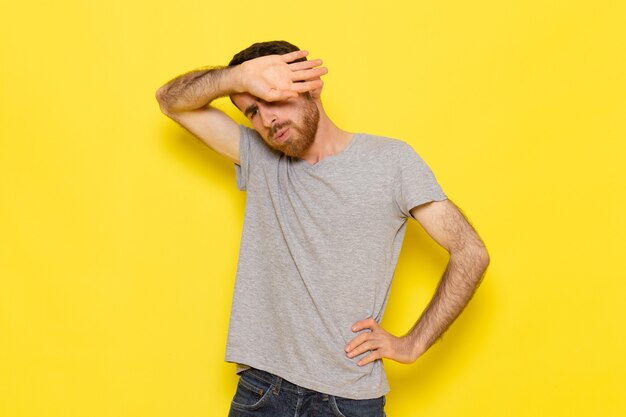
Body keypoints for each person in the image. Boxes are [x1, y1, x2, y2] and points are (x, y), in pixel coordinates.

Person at [156, 40, 490, 417]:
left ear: (311, 85)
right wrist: (237, 77)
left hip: (347, 400)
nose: (267, 120)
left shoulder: (392, 162)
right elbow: (170, 100)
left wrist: (412, 344)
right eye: (253, 110)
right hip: (262, 391)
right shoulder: (260, 157)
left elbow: (471, 252)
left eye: (274, 98)